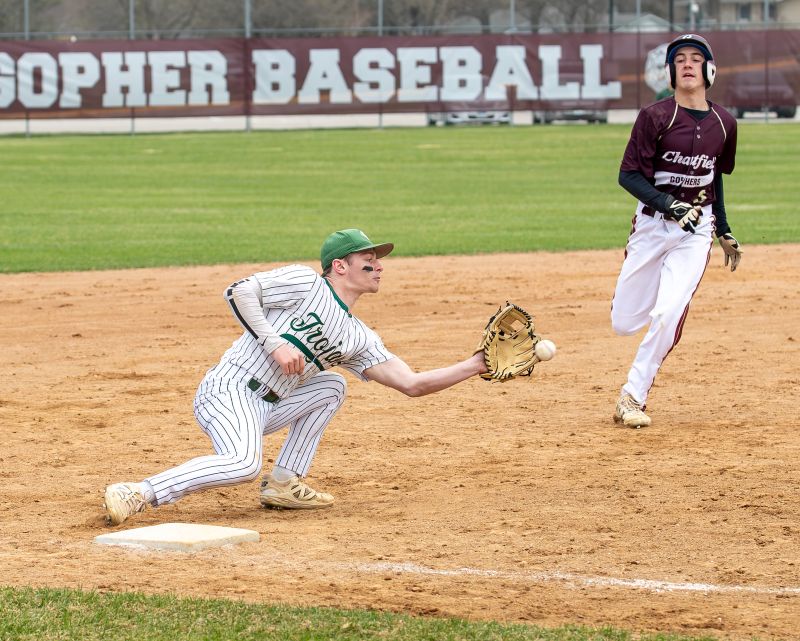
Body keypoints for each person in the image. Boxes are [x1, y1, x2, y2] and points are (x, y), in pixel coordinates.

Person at [104, 229, 488, 524]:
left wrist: (475, 365)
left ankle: (285, 483)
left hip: (269, 407)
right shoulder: (306, 284)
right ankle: (139, 492)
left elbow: (412, 384)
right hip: (230, 388)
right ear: (340, 265)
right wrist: (274, 343)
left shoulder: (359, 336)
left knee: (332, 385)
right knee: (243, 464)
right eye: (368, 260)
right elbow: (238, 291)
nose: (379, 267)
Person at [611, 34, 743, 428]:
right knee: (624, 321)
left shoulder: (725, 123)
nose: (687, 64)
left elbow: (714, 175)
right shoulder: (655, 117)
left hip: (695, 231)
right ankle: (651, 305)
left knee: (668, 311)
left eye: (696, 58)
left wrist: (722, 227)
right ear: (669, 72)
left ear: (709, 70)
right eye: (679, 59)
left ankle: (633, 396)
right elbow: (628, 175)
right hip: (652, 227)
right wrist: (669, 204)